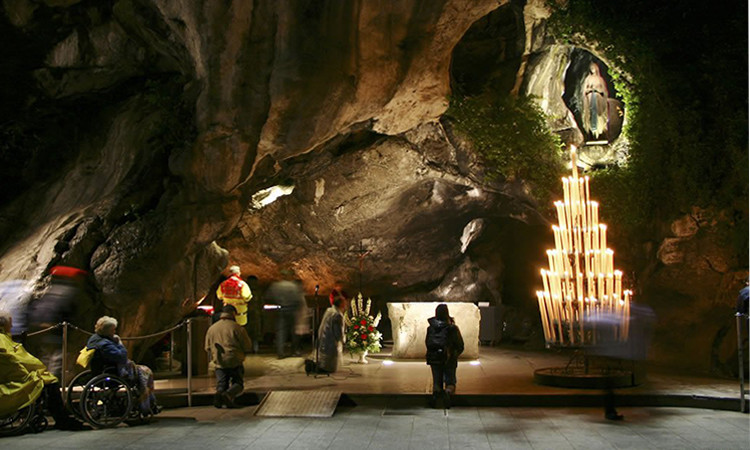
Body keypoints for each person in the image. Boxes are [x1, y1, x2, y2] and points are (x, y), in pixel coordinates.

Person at [0, 310, 85, 430]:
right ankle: (62, 419)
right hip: (16, 378)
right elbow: (13, 362)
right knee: (52, 383)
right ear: (5, 325)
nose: (12, 326)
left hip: (13, 374)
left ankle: (62, 418)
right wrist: (31, 372)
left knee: (49, 380)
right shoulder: (2, 340)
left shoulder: (4, 339)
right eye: (10, 323)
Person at [86, 316, 160, 415]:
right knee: (146, 372)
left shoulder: (94, 339)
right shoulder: (106, 345)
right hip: (116, 371)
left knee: (144, 371)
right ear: (107, 331)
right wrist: (119, 343)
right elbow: (122, 356)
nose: (114, 331)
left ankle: (150, 403)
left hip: (101, 370)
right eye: (113, 329)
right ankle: (146, 405)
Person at [26, 266, 89, 379]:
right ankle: (53, 386)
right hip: (57, 331)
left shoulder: (51, 290)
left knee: (45, 358)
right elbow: (69, 312)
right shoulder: (70, 292)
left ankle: (42, 383)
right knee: (58, 359)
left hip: (41, 329)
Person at [205, 305, 252, 408]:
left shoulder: (212, 328)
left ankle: (219, 396)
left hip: (219, 361)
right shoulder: (237, 327)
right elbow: (247, 345)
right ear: (233, 313)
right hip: (234, 359)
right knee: (238, 383)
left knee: (221, 383)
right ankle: (228, 395)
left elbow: (207, 347)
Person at [425, 304, 464, 409]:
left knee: (437, 382)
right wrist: (453, 355)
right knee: (450, 381)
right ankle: (448, 394)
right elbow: (460, 345)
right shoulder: (452, 328)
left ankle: (435, 400)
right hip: (449, 358)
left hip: (434, 358)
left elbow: (427, 343)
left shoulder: (431, 328)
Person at [266, 272, 305, 358]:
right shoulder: (293, 286)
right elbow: (298, 299)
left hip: (280, 310)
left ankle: (280, 352)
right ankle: (295, 350)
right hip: (292, 310)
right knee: (294, 332)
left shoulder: (275, 286)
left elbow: (269, 297)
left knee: (281, 332)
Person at [315, 296, 347, 374]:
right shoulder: (337, 315)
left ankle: (323, 367)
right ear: (341, 304)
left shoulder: (329, 310)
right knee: (330, 366)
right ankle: (326, 368)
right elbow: (338, 332)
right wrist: (342, 340)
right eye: (344, 303)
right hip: (330, 341)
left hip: (324, 338)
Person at [245, 275, 263, 353]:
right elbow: (261, 303)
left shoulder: (244, 290)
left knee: (247, 332)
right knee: (255, 333)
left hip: (246, 314)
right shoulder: (258, 291)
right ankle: (255, 348)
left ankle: (248, 348)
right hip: (256, 314)